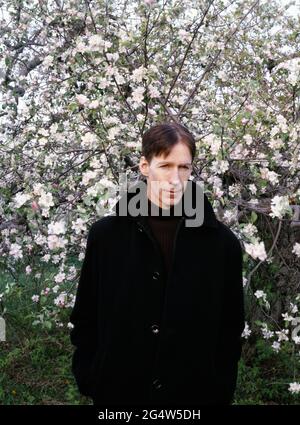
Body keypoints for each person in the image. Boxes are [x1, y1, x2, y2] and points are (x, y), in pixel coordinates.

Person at [69, 122, 245, 406]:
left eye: (184, 167)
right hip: (118, 394)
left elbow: (230, 328)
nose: (175, 179)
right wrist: (91, 375)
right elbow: (86, 316)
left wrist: (219, 387)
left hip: (193, 397)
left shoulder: (222, 244)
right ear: (144, 166)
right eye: (165, 166)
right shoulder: (106, 236)